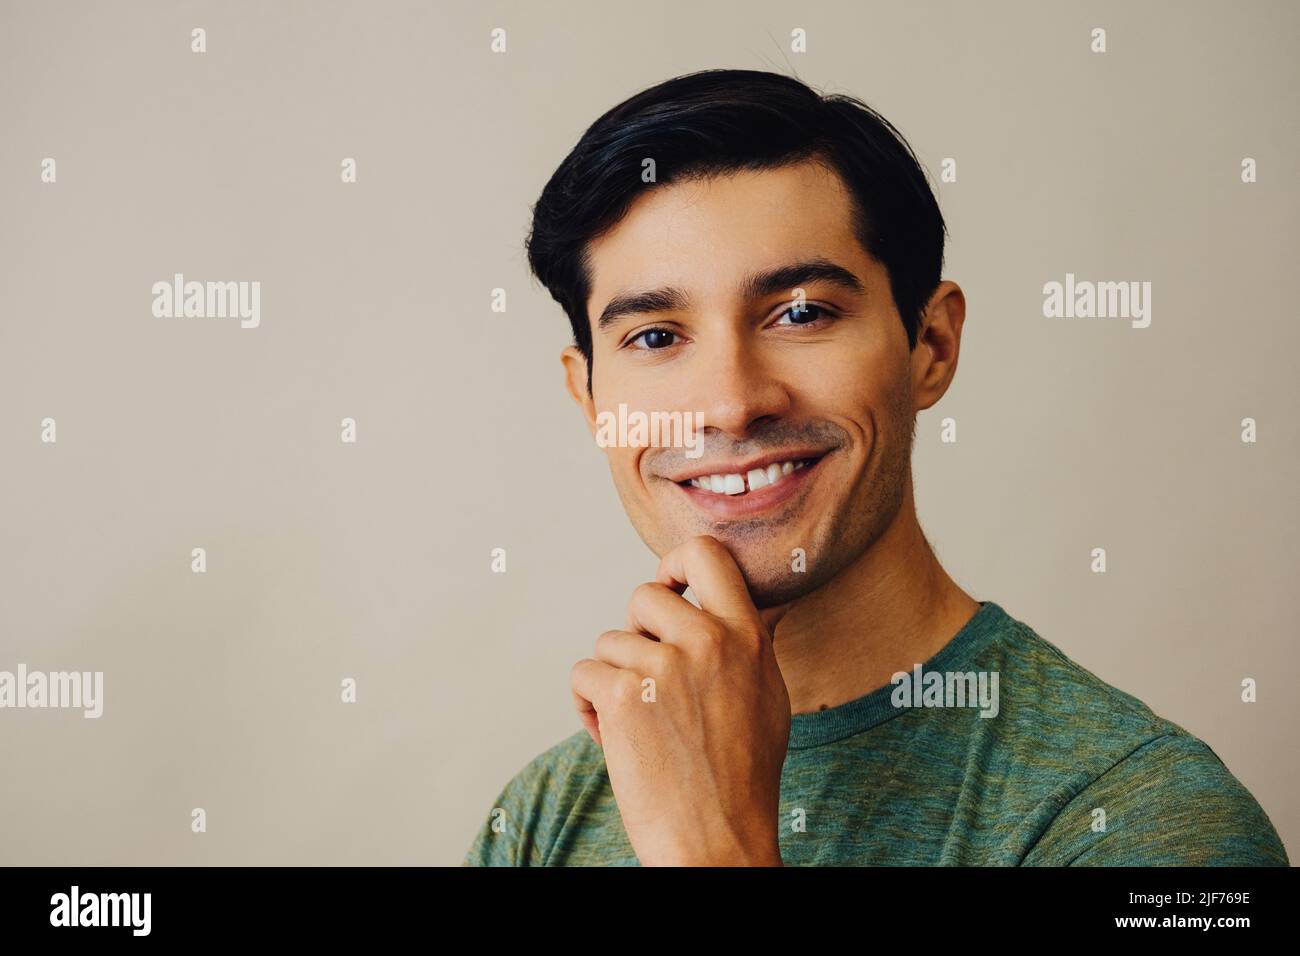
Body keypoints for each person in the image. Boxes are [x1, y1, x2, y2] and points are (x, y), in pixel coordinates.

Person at [464, 69, 1288, 866]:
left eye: (802, 313)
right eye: (654, 336)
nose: (730, 403)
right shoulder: (543, 819)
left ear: (931, 346)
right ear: (592, 398)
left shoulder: (1149, 823)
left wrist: (708, 852)